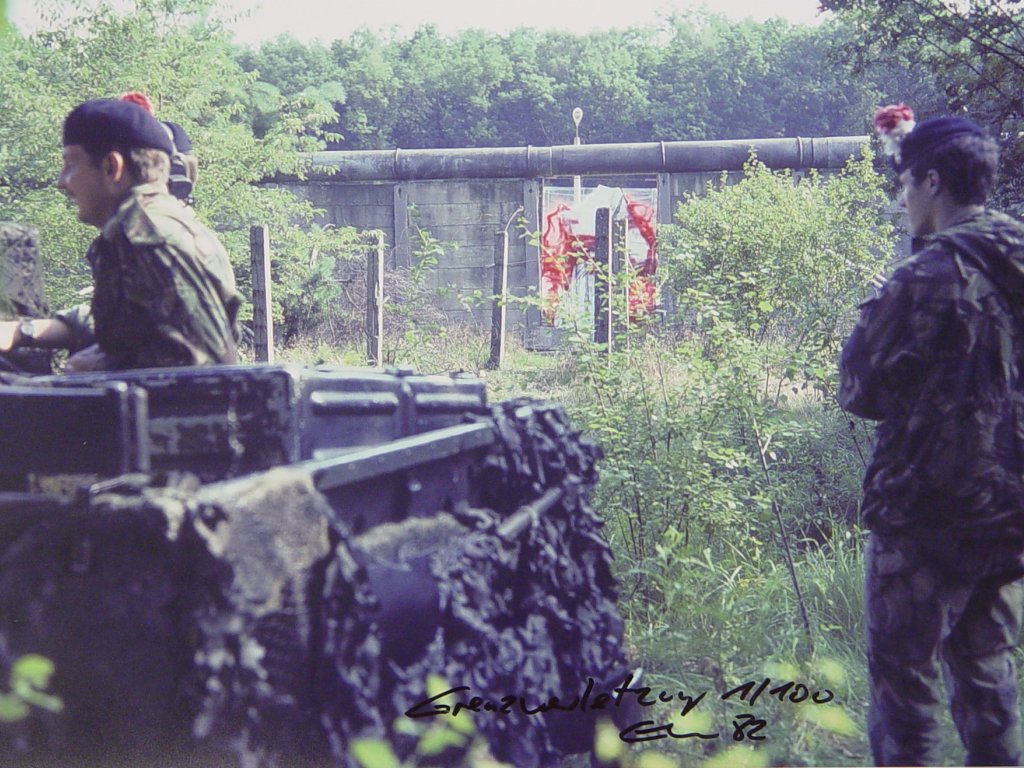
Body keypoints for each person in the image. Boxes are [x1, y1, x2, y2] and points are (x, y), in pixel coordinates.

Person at [840, 104, 1024, 766]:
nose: (902, 197)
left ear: (935, 184)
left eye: (907, 183)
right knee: (988, 680)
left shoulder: (924, 278)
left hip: (925, 518)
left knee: (904, 693)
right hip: (1008, 514)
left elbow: (860, 392)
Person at [0, 98, 240, 371]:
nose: (61, 182)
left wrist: (99, 368)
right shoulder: (151, 224)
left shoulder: (145, 237)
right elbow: (136, 331)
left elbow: (195, 375)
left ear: (112, 167)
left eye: (70, 165)